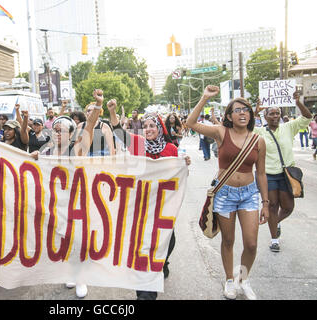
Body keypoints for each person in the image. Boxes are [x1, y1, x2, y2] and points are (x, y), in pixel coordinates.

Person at [187, 85, 269, 300]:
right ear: (229, 117)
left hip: (249, 195)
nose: (243, 113)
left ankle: (243, 279)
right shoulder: (221, 132)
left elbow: (261, 174)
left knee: (251, 243)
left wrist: (266, 203)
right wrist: (205, 97)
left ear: (250, 115)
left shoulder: (258, 140)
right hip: (225, 194)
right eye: (238, 110)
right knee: (229, 241)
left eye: (246, 110)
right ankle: (229, 280)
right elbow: (191, 123)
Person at [107, 99, 191, 300]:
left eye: (152, 126)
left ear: (160, 128)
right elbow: (119, 132)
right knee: (143, 247)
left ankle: (162, 262)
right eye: (145, 126)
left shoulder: (171, 149)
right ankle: (145, 293)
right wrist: (112, 111)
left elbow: (177, 175)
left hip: (163, 206)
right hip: (141, 205)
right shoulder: (138, 144)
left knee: (168, 241)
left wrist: (184, 163)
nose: (148, 129)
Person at [31, 90, 105, 298]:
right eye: (54, 130)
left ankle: (81, 278)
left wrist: (98, 106)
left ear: (71, 133)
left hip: (76, 202)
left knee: (78, 241)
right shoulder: (45, 151)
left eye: (61, 130)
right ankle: (70, 272)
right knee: (62, 241)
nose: (56, 133)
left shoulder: (77, 149)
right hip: (54, 203)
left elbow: (89, 126)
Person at [254, 92, 312, 253]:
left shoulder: (289, 127)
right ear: (265, 117)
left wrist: (298, 102)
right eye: (271, 113)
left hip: (287, 175)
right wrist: (255, 110)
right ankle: (274, 240)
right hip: (268, 175)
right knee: (272, 206)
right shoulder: (260, 132)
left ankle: (276, 222)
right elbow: (245, 126)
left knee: (288, 207)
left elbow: (308, 117)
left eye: (277, 113)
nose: (274, 116)